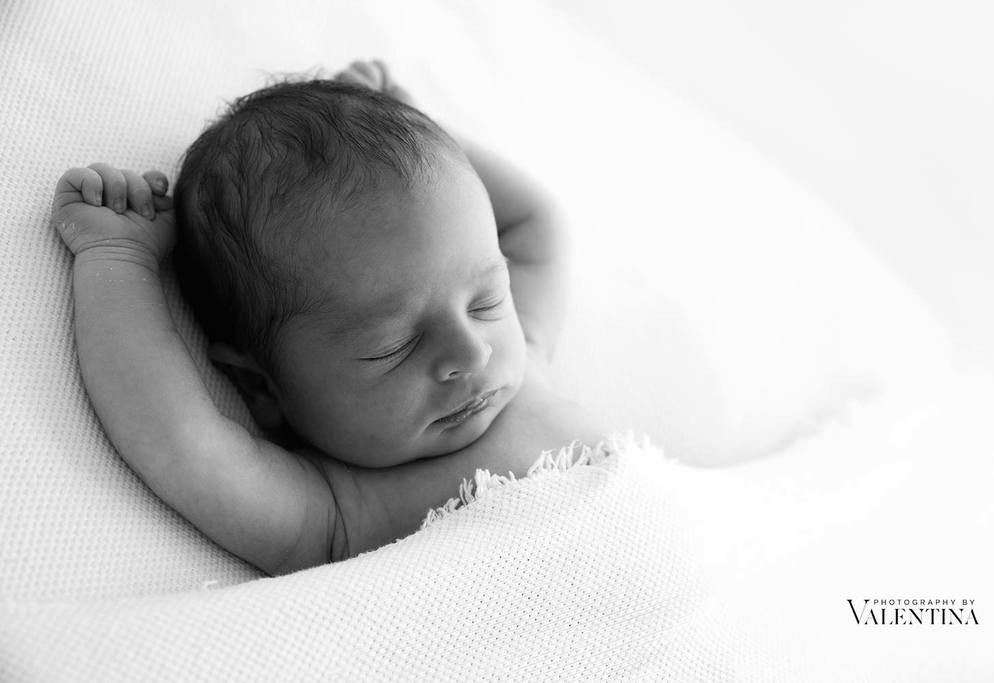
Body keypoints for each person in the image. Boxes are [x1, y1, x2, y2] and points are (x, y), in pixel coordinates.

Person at [51, 60, 603, 576]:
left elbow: (537, 224)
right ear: (259, 386)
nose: (472, 352)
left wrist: (410, 130)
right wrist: (117, 260)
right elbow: (178, 438)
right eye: (395, 346)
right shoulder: (334, 515)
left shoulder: (525, 362)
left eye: (486, 302)